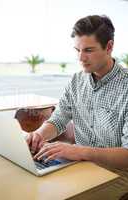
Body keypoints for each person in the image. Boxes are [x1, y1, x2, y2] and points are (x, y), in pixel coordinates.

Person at [26, 15, 128, 170]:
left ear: (109, 47)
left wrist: (80, 151)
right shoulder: (76, 81)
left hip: (116, 175)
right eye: (77, 50)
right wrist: (38, 135)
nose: (80, 58)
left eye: (88, 50)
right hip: (80, 166)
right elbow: (58, 120)